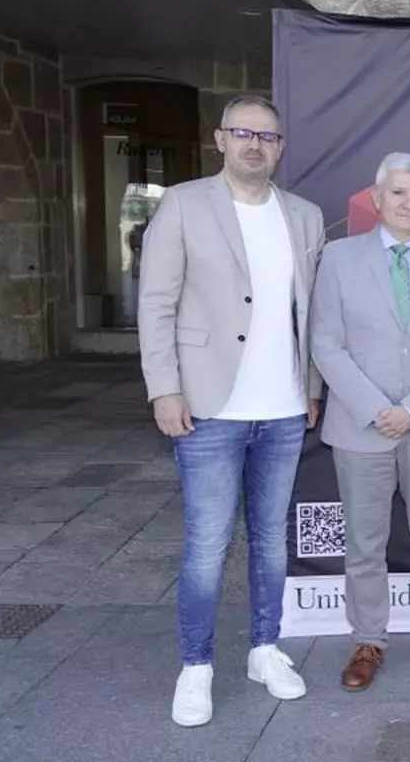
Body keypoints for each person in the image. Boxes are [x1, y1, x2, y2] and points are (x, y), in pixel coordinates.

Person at [137, 94, 324, 727]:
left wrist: (312, 389)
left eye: (267, 137)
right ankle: (196, 667)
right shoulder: (183, 204)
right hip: (208, 408)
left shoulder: (304, 216)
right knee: (207, 544)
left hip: (284, 409)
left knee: (271, 541)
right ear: (220, 139)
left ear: (280, 148)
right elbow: (156, 303)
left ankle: (264, 650)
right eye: (243, 133)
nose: (255, 145)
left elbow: (311, 314)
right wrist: (163, 387)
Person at [308, 152, 410, 692]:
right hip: (361, 427)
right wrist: (377, 409)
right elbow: (325, 343)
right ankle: (368, 641)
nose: (409, 203)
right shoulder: (338, 258)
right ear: (377, 199)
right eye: (398, 193)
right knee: (364, 545)